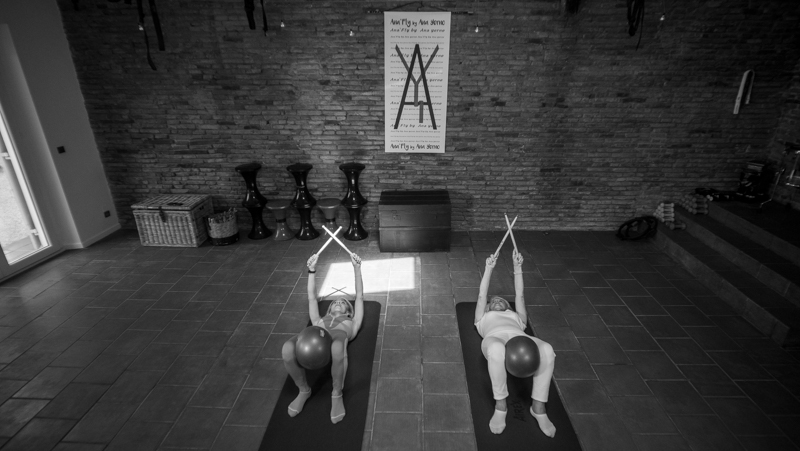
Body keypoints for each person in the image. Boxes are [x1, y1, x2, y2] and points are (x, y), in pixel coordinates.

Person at [474, 249, 556, 437]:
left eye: (501, 300)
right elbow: (482, 295)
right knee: (496, 349)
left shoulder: (518, 317)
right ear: (487, 307)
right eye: (493, 301)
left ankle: (538, 407)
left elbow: (519, 295)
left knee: (547, 349)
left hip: (521, 338)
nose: (496, 300)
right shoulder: (482, 317)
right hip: (494, 338)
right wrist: (488, 268)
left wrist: (517, 267)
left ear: (508, 307)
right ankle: (501, 405)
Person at [281, 252, 364, 424]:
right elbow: (312, 298)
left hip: (336, 341)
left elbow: (360, 296)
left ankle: (337, 394)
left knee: (337, 347)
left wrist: (357, 268)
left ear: (349, 311)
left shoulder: (353, 322)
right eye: (335, 302)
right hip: (313, 339)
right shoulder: (318, 320)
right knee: (287, 349)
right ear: (329, 309)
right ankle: (304, 390)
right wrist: (311, 271)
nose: (338, 302)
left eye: (343, 302)